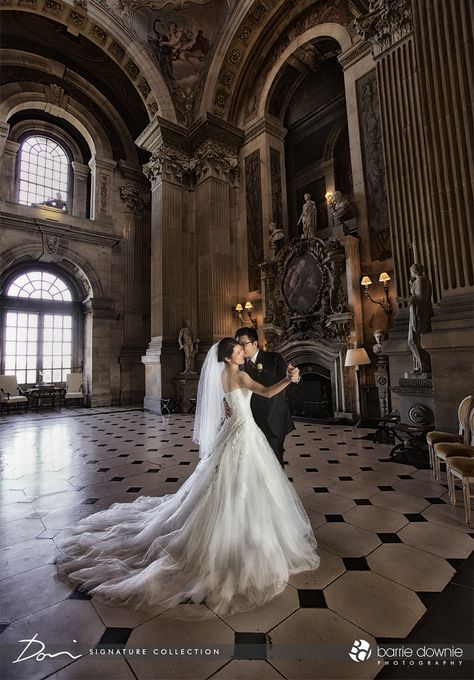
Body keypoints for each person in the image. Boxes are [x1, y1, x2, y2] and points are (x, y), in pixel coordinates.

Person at [54, 338, 318, 616]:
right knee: (240, 483)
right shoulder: (239, 374)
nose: (243, 353)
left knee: (226, 484)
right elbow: (266, 392)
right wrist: (289, 379)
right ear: (229, 357)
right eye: (238, 351)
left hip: (234, 431)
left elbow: (228, 402)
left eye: (242, 349)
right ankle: (240, 541)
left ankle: (244, 529)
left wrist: (232, 406)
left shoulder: (223, 374)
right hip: (244, 434)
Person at [234, 327, 298, 466]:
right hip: (250, 420)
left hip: (273, 417)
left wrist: (294, 377)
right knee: (255, 463)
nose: (241, 348)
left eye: (243, 343)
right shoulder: (238, 365)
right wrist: (226, 402)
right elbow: (233, 388)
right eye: (238, 345)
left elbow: (289, 379)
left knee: (274, 460)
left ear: (255, 343)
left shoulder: (274, 358)